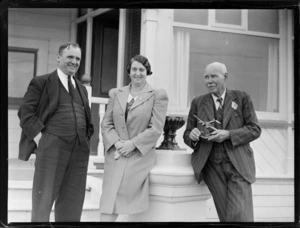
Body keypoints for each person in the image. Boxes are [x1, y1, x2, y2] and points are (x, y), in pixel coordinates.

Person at [18, 43, 94, 222]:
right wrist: (41, 139)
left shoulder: (82, 89)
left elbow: (88, 119)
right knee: (42, 204)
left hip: (79, 153)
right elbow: (25, 113)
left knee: (72, 206)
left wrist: (85, 139)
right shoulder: (41, 82)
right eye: (70, 57)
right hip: (52, 151)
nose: (74, 62)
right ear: (59, 57)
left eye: (77, 58)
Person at [183, 62, 261, 222]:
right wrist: (193, 136)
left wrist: (228, 134)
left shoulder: (241, 98)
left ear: (225, 77)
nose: (209, 81)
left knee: (240, 215)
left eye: (213, 76)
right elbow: (187, 133)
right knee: (226, 216)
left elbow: (255, 129)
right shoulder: (198, 102)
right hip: (211, 166)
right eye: (206, 77)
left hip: (238, 165)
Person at [100, 54, 168, 222]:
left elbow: (156, 128)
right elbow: (106, 124)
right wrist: (117, 143)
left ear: (147, 72)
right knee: (108, 200)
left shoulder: (157, 95)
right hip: (115, 154)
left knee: (122, 196)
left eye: (142, 70)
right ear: (129, 71)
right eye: (134, 69)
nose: (138, 73)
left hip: (138, 155)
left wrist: (132, 144)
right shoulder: (117, 93)